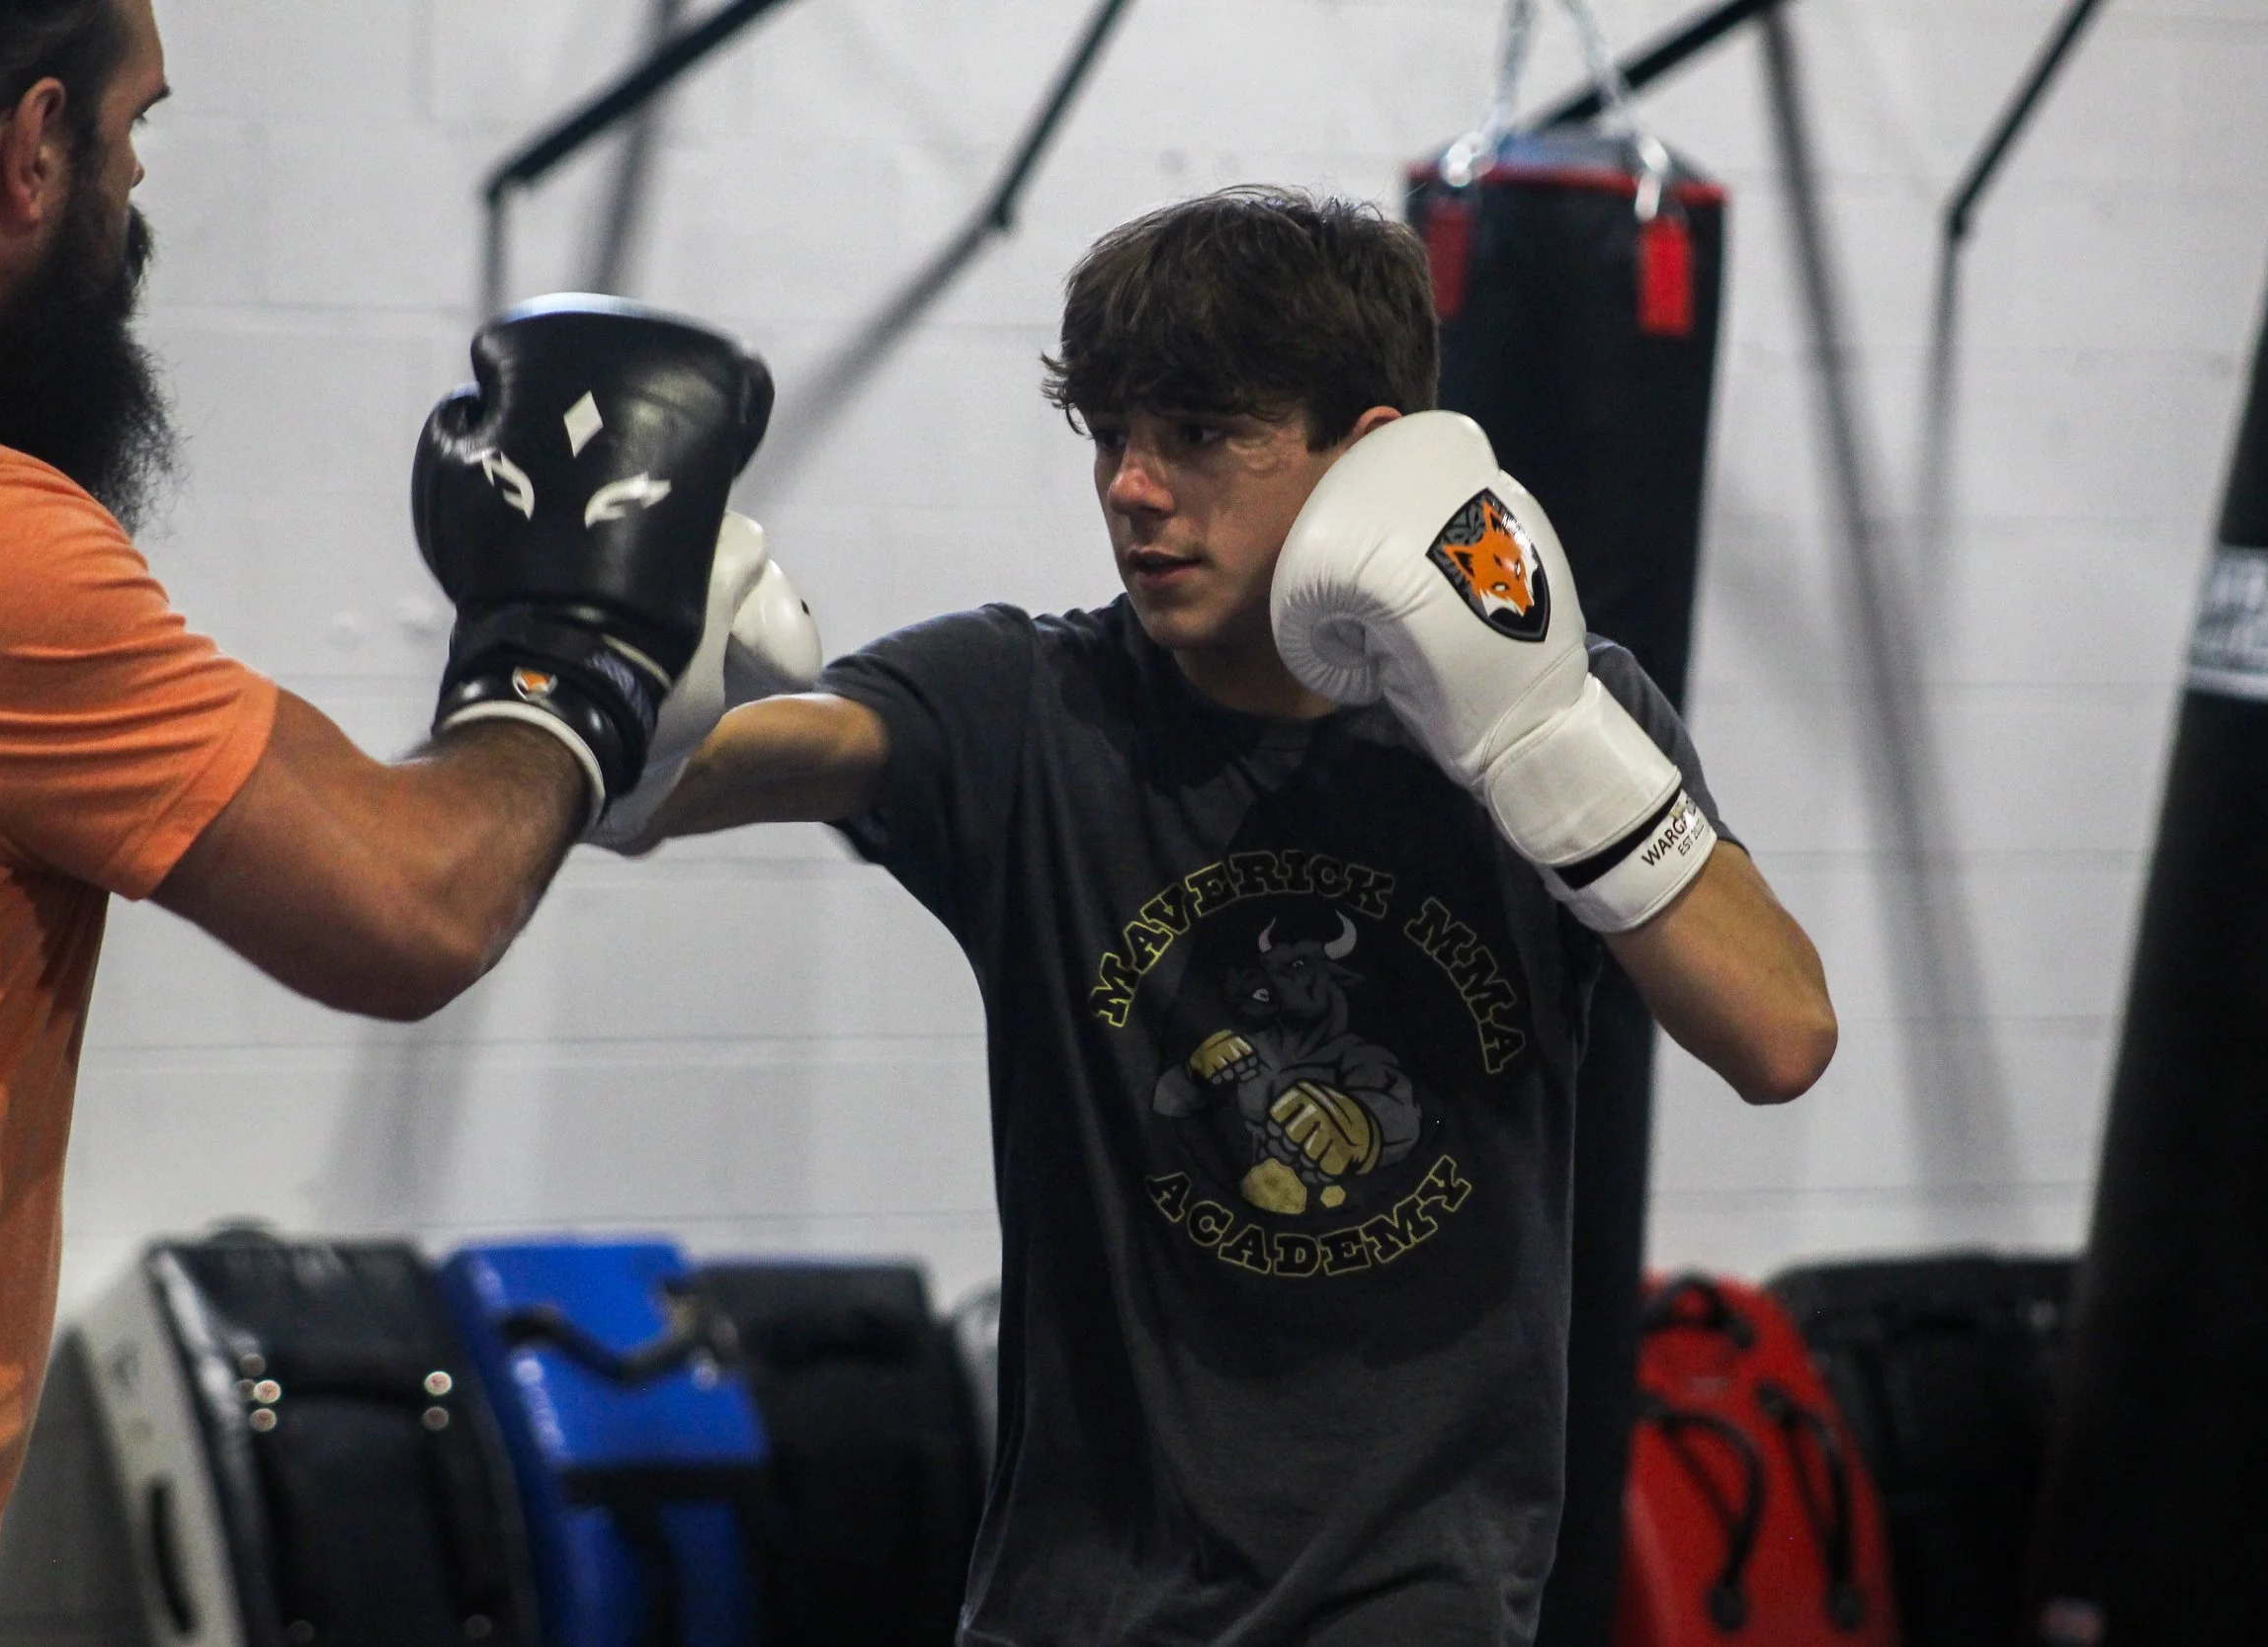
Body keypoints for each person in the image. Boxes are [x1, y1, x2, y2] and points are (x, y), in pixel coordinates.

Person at [635, 188, 1837, 1644]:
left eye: (1203, 435)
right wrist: (606, 683)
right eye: (1110, 435)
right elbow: (753, 766)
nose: (1135, 487)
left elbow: (1780, 1033)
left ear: (1367, 459)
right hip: (1071, 1611)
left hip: (1414, 1609)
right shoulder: (1030, 709)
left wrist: (1548, 737)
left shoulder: (1567, 706)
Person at [0, 0, 814, 1577]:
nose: (140, 189)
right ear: (34, 150)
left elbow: (387, 825)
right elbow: (410, 900)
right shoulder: (2, 557)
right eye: (133, 131)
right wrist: (586, 658)